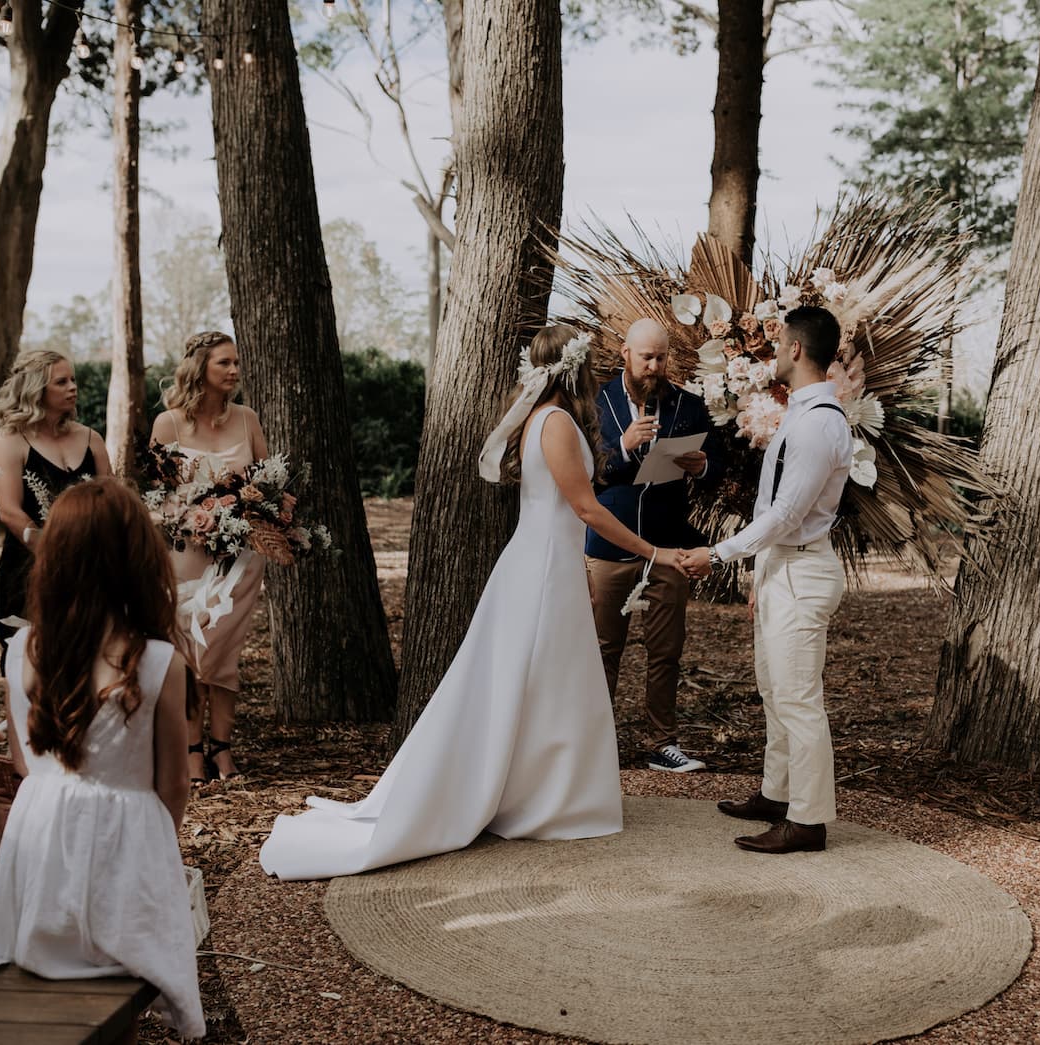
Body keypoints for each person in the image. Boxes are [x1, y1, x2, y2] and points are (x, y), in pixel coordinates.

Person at [260, 325, 683, 880]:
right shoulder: (554, 423)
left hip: (549, 565)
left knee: (545, 684)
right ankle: (539, 799)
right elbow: (586, 509)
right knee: (536, 680)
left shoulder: (548, 419)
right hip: (539, 573)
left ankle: (542, 795)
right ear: (572, 367)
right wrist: (656, 552)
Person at [0, 479, 203, 1040]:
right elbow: (174, 785)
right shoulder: (158, 662)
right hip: (125, 851)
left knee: (45, 996)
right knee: (116, 998)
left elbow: (24, 761)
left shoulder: (23, 650)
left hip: (39, 845)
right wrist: (152, 852)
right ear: (137, 560)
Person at [679, 305, 853, 855]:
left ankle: (807, 822)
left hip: (803, 567)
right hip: (782, 566)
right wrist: (760, 572)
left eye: (780, 345)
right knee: (774, 691)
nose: (773, 352)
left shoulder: (821, 424)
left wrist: (720, 554)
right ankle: (777, 794)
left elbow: (785, 514)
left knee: (799, 698)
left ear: (797, 351)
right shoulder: (800, 415)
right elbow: (773, 511)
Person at [587, 317, 726, 773]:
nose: (654, 365)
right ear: (625, 354)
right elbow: (582, 471)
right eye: (646, 356)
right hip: (608, 544)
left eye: (661, 357)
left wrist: (701, 465)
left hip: (669, 546)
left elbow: (718, 469)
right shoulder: (596, 402)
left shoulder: (688, 404)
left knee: (666, 650)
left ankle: (661, 742)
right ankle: (593, 741)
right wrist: (624, 447)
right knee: (603, 648)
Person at [150, 331, 268, 784]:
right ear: (201, 367)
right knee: (187, 652)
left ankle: (222, 749)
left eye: (236, 362)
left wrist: (243, 513)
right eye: (225, 363)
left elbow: (266, 485)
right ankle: (191, 751)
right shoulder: (169, 424)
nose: (235, 370)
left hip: (240, 557)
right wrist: (195, 516)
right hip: (186, 555)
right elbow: (159, 496)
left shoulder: (247, 418)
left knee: (223, 653)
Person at [0, 350, 111, 673]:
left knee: (90, 660)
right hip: (27, 569)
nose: (73, 387)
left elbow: (111, 501)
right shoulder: (11, 440)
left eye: (73, 380)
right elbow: (9, 511)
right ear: (36, 390)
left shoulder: (91, 439)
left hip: (90, 569)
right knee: (31, 665)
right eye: (62, 382)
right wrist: (56, 551)